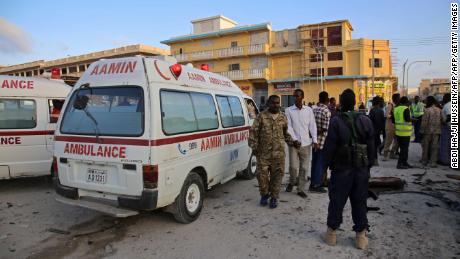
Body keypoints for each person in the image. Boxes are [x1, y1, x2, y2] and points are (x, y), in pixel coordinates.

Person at [322, 89, 375, 250]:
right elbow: (372, 147)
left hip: (341, 169)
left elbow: (329, 147)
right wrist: (367, 166)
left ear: (342, 102)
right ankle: (360, 237)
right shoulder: (366, 120)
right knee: (359, 201)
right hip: (361, 169)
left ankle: (331, 235)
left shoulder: (336, 121)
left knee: (337, 201)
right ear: (354, 103)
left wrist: (325, 167)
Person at [249, 95, 299, 209]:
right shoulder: (261, 116)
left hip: (279, 154)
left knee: (277, 177)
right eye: (273, 103)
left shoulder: (283, 117)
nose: (276, 105)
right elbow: (253, 133)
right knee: (262, 177)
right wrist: (254, 147)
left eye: (277, 103)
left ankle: (274, 198)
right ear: (268, 103)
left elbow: (285, 133)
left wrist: (293, 142)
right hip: (263, 154)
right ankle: (265, 194)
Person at [285, 89, 319, 198]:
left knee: (304, 168)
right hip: (294, 144)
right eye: (294, 96)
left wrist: (315, 141)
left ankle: (300, 189)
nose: (296, 98)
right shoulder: (288, 110)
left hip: (306, 144)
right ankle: (292, 181)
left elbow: (312, 125)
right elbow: (288, 127)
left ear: (302, 97)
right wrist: (294, 140)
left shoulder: (308, 110)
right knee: (293, 167)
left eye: (298, 96)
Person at [311, 91, 331, 193]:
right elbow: (325, 128)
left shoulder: (313, 109)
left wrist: (314, 132)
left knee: (314, 162)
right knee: (320, 163)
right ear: (327, 100)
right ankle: (317, 184)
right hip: (322, 141)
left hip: (314, 140)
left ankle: (312, 183)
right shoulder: (326, 111)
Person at [419, 96, 442, 167]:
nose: (425, 102)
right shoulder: (439, 110)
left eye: (426, 100)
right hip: (437, 131)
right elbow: (443, 120)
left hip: (427, 131)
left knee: (425, 147)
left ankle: (424, 161)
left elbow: (424, 122)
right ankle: (433, 162)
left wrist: (421, 131)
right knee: (434, 147)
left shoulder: (427, 110)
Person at [393, 96, 413, 169]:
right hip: (405, 132)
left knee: (403, 148)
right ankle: (400, 164)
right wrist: (413, 120)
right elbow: (407, 119)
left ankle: (404, 162)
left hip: (398, 132)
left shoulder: (396, 109)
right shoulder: (405, 108)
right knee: (404, 149)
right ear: (406, 102)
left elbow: (393, 120)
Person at [382, 93, 400, 161]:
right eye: (398, 98)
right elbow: (386, 115)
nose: (399, 99)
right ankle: (385, 155)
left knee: (397, 141)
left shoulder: (398, 106)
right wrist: (392, 116)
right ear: (395, 99)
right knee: (388, 141)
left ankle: (392, 154)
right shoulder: (390, 105)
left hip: (397, 126)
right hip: (390, 126)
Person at [369, 96, 385, 165]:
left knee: (373, 146)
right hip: (378, 130)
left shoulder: (372, 110)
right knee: (376, 144)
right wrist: (382, 129)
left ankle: (374, 160)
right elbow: (382, 121)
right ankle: (375, 160)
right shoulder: (381, 110)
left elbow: (370, 120)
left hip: (372, 130)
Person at [439, 93, 451, 165]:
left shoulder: (447, 105)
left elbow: (450, 116)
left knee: (445, 144)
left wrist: (444, 122)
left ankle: (445, 161)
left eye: (444, 97)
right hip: (450, 126)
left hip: (448, 127)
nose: (443, 98)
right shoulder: (451, 104)